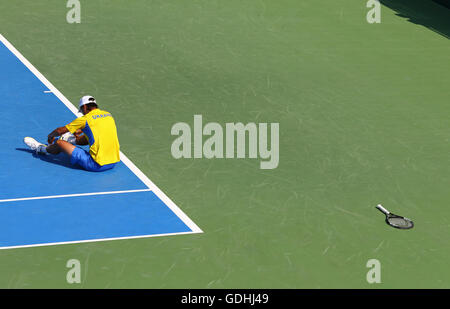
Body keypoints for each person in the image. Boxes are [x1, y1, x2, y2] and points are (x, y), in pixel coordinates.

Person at [24, 95, 120, 172]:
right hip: (113, 163)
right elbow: (95, 130)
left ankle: (41, 149)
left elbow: (61, 130)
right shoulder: (108, 115)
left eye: (81, 110)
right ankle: (71, 140)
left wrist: (51, 135)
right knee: (91, 136)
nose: (82, 112)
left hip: (95, 165)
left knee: (59, 143)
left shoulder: (85, 119)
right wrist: (79, 133)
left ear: (85, 106)